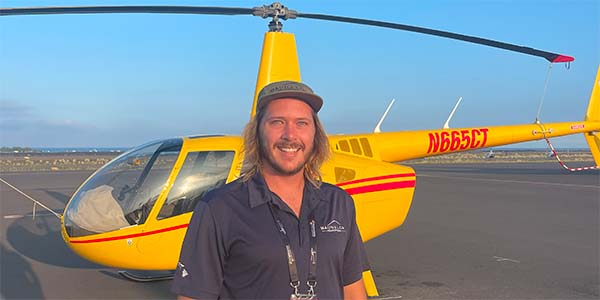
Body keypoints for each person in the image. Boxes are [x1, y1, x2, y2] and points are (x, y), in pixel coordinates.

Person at [172, 80, 368, 300]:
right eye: (277, 122)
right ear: (257, 133)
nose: (290, 135)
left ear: (315, 135)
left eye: (302, 123)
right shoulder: (219, 208)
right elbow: (193, 296)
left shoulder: (338, 203)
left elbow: (352, 288)